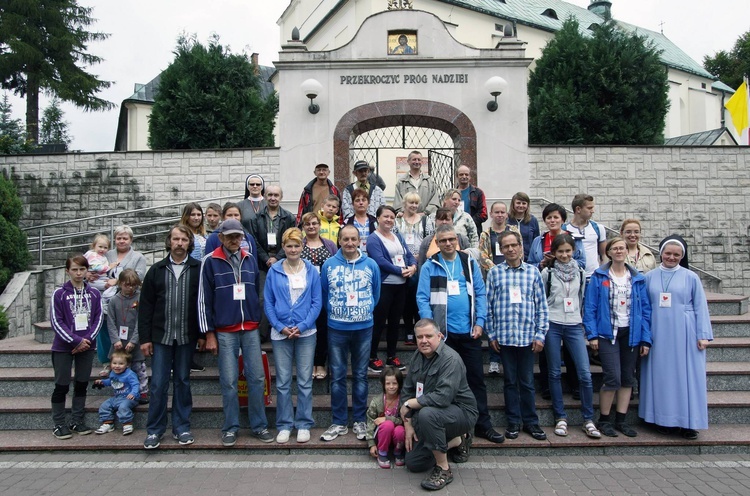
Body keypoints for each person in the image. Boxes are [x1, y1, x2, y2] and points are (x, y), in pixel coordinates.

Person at [417, 225, 505, 445]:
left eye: (451, 239)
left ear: (457, 240)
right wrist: (433, 331)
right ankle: (453, 429)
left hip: (469, 333)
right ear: (437, 242)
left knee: (476, 380)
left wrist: (480, 322)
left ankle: (483, 425)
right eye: (443, 240)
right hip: (443, 336)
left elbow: (480, 293)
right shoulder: (431, 265)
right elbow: (422, 298)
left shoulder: (468, 262)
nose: (448, 243)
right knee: (443, 384)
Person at [198, 219, 272, 446]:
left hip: (249, 329)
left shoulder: (250, 260)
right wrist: (208, 333)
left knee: (257, 379)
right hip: (224, 330)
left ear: (243, 238)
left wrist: (257, 321)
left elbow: (255, 294)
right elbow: (203, 300)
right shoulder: (209, 261)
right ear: (220, 237)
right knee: (229, 380)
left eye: (237, 236)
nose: (233, 240)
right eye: (229, 236)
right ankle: (230, 427)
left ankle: (259, 425)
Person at [640, 235, 712, 440]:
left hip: (685, 333)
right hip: (658, 333)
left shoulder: (691, 277)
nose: (671, 257)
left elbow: (700, 306)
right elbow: (644, 308)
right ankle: (662, 419)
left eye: (676, 255)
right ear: (660, 253)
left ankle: (688, 422)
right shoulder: (649, 277)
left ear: (682, 256)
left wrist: (703, 334)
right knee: (661, 376)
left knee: (687, 378)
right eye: (668, 253)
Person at [139, 225, 203, 449]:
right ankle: (154, 430)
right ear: (169, 242)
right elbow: (145, 307)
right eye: (176, 239)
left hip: (187, 336)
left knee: (183, 382)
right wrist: (145, 338)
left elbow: (202, 304)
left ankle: (181, 427)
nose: (179, 243)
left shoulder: (198, 269)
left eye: (184, 239)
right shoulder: (156, 270)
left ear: (189, 243)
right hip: (161, 337)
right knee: (157, 384)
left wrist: (203, 334)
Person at [584, 236, 651, 438]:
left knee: (628, 378)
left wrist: (646, 338)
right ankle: (604, 419)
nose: (620, 251)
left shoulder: (637, 278)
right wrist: (592, 334)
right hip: (607, 333)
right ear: (609, 252)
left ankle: (620, 419)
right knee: (612, 377)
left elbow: (646, 311)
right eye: (615, 248)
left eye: (622, 248)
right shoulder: (599, 276)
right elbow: (590, 307)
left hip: (631, 333)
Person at [399, 319, 478, 491]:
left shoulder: (451, 359)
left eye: (429, 335)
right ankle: (457, 441)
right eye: (419, 337)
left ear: (440, 336)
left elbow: (443, 397)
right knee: (414, 463)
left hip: (461, 413)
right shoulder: (417, 356)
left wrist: (411, 403)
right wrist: (408, 425)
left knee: (428, 414)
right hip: (433, 414)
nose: (424, 340)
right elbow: (407, 390)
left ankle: (444, 469)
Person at [486, 231, 549, 442]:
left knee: (528, 382)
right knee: (510, 382)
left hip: (527, 338)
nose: (511, 249)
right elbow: (489, 306)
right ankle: (513, 422)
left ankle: (531, 422)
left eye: (514, 245)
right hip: (504, 338)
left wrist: (540, 335)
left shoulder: (533, 273)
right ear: (501, 250)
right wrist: (491, 334)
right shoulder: (495, 273)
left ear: (521, 247)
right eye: (506, 246)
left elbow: (542, 306)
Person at [320, 225, 381, 442]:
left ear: (359, 241)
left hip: (364, 328)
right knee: (337, 377)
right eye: (345, 239)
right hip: (337, 328)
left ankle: (359, 420)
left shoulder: (371, 265)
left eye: (353, 239)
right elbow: (324, 294)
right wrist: (339, 313)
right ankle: (338, 422)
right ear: (339, 240)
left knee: (360, 376)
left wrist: (362, 312)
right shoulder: (329, 265)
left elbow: (376, 293)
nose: (349, 243)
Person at [264, 227, 323, 444]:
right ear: (283, 247)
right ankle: (284, 424)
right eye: (289, 245)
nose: (293, 249)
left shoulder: (310, 270)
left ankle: (304, 423)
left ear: (303, 246)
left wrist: (304, 324)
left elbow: (317, 302)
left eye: (297, 245)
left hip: (306, 332)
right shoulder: (275, 271)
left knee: (305, 380)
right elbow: (269, 303)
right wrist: (279, 326)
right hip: (281, 333)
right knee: (283, 381)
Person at [540, 234, 601, 439]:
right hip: (553, 324)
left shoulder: (581, 274)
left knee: (584, 373)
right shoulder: (547, 274)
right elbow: (541, 300)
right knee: (555, 372)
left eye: (568, 251)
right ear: (554, 253)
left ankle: (588, 418)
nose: (564, 255)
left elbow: (582, 299)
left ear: (573, 251)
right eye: (560, 252)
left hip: (574, 324)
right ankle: (560, 417)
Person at [50, 254, 103, 439]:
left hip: (87, 347)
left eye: (82, 269)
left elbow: (98, 319)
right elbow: (57, 322)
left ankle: (77, 420)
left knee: (81, 384)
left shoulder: (95, 293)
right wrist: (75, 341)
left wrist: (86, 341)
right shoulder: (59, 294)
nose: (79, 273)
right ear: (67, 271)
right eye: (75, 269)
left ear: (87, 270)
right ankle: (59, 424)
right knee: (62, 385)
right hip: (64, 347)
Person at [366, 205, 418, 373]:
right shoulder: (373, 239)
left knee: (395, 322)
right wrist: (401, 271)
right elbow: (380, 261)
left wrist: (414, 266)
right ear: (378, 219)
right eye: (385, 216)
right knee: (379, 323)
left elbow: (408, 254)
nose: (389, 220)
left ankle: (391, 356)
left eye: (391, 217)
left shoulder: (397, 236)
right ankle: (372, 357)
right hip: (385, 286)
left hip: (400, 286)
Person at [95, 225, 147, 378]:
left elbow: (139, 277)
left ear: (131, 240)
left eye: (125, 238)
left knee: (130, 329)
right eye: (118, 238)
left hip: (130, 300)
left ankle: (130, 362)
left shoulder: (138, 257)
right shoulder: (106, 254)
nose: (122, 241)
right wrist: (90, 275)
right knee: (105, 329)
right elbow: (96, 268)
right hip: (105, 297)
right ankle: (108, 361)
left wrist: (117, 281)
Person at [478, 201, 520, 374]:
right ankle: (494, 359)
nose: (500, 215)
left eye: (503, 212)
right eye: (497, 212)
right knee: (493, 318)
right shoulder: (486, 234)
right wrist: (498, 270)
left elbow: (520, 251)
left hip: (515, 279)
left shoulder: (514, 232)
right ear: (492, 214)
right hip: (494, 279)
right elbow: (482, 255)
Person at [251, 185, 296, 341]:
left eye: (276, 195)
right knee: (263, 297)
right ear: (265, 196)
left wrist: (277, 257)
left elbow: (292, 240)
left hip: (284, 261)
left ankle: (287, 327)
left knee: (285, 294)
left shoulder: (289, 217)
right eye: (270, 195)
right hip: (263, 263)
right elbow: (254, 242)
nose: (273, 198)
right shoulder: (256, 218)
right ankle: (263, 334)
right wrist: (266, 259)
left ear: (281, 197)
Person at [300, 212, 337, 380]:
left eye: (314, 223)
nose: (311, 226)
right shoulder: (298, 244)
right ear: (303, 227)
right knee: (307, 328)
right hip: (303, 294)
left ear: (319, 225)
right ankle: (309, 363)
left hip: (324, 292)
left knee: (322, 328)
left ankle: (320, 362)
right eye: (307, 224)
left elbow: (337, 265)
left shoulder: (329, 244)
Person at [395, 192, 435, 344]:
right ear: (404, 203)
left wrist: (419, 256)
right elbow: (394, 239)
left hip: (421, 263)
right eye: (410, 202)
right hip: (403, 264)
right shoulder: (397, 221)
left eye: (416, 203)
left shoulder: (426, 220)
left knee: (419, 297)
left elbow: (430, 239)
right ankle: (408, 331)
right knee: (406, 300)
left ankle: (420, 329)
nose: (413, 206)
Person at [106, 269, 148, 404]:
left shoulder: (140, 298)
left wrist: (134, 340)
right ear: (120, 284)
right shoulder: (113, 300)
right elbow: (110, 321)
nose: (130, 288)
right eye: (127, 285)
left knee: (139, 369)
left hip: (134, 341)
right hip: (119, 343)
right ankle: (122, 392)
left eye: (134, 285)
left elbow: (140, 321)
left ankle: (142, 392)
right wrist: (115, 340)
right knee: (120, 370)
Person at [92, 349, 140, 436]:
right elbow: (112, 382)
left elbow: (136, 385)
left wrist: (133, 393)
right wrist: (102, 382)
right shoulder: (113, 373)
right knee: (104, 406)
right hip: (117, 397)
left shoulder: (130, 374)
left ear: (127, 365)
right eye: (114, 363)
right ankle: (108, 423)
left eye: (121, 364)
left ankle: (127, 424)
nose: (117, 366)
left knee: (123, 407)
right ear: (111, 364)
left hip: (129, 398)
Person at [366, 366, 405, 469]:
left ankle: (398, 451)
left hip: (398, 435)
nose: (391, 387)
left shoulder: (403, 401)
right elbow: (370, 421)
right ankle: (382, 453)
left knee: (399, 430)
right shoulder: (377, 401)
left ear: (399, 384)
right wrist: (371, 444)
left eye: (394, 383)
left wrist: (388, 418)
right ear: (382, 384)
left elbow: (405, 421)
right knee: (387, 425)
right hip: (382, 434)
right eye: (388, 383)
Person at [528, 203, 585, 270]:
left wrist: (560, 261)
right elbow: (530, 265)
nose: (552, 220)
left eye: (556, 217)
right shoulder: (538, 241)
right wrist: (541, 265)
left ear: (563, 220)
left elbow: (582, 263)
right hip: (545, 278)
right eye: (549, 218)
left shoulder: (574, 239)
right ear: (545, 221)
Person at [563, 193, 607, 279]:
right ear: (578, 209)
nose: (593, 211)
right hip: (572, 277)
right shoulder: (564, 229)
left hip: (593, 277)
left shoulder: (598, 228)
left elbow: (604, 254)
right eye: (589, 208)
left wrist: (603, 274)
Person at [393, 151, 441, 215]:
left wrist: (425, 213)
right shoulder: (401, 182)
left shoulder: (429, 181)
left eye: (419, 160)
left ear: (422, 162)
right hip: (406, 218)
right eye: (414, 159)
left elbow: (435, 201)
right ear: (408, 161)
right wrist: (404, 213)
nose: (417, 162)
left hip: (425, 218)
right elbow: (397, 202)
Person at [506, 192, 540, 262]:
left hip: (528, 260)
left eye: (524, 203)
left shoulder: (533, 220)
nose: (521, 205)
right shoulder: (506, 219)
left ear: (527, 205)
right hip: (509, 258)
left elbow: (536, 241)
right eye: (518, 203)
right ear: (513, 204)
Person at [455, 165, 487, 235]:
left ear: (470, 177)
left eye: (466, 174)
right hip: (455, 231)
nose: (464, 176)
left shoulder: (478, 193)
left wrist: (469, 223)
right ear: (457, 176)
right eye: (461, 174)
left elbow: (483, 214)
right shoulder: (452, 194)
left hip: (473, 232)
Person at [343, 188, 378, 252]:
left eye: (363, 200)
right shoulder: (346, 223)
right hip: (353, 257)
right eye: (357, 200)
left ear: (368, 203)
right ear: (353, 204)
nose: (361, 203)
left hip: (372, 258)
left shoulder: (375, 222)